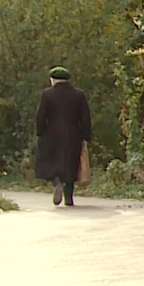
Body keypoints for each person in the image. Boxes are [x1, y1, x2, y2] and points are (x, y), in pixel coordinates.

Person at [34, 66, 92, 207]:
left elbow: (41, 115)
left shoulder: (47, 94)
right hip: (73, 135)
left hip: (52, 135)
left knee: (50, 162)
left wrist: (40, 131)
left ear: (53, 80)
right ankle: (68, 198)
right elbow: (85, 117)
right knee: (71, 164)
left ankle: (57, 183)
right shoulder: (79, 94)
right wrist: (86, 135)